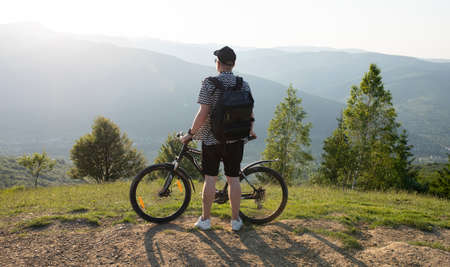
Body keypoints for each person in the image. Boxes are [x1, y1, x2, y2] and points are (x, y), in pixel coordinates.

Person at [180, 46, 256, 231]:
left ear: (218, 64)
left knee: (210, 179)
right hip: (235, 140)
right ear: (234, 64)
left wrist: (190, 134)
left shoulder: (209, 83)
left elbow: (203, 113)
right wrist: (250, 131)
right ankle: (236, 221)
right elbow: (249, 112)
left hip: (211, 139)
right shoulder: (243, 84)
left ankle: (205, 220)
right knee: (233, 179)